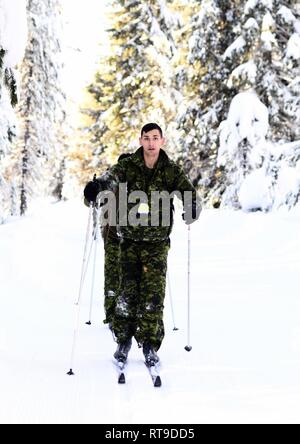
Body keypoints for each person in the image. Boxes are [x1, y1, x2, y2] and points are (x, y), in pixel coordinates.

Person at [84, 123, 201, 366]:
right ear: (140, 140)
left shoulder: (170, 170)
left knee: (153, 297)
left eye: (155, 138)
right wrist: (96, 187)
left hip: (157, 245)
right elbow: (111, 177)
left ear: (162, 141)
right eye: (146, 138)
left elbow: (188, 192)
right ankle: (123, 340)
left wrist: (191, 207)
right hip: (130, 242)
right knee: (127, 293)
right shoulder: (129, 166)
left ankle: (150, 344)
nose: (150, 142)